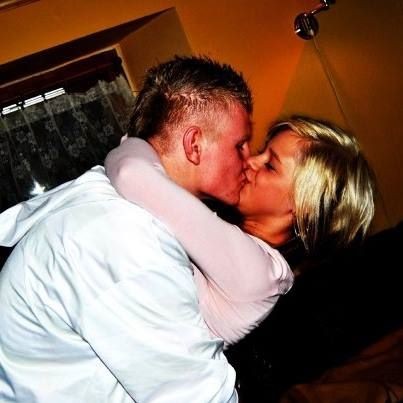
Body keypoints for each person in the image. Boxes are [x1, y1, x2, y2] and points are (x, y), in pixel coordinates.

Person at [0, 55, 258, 403]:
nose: (249, 159)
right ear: (194, 145)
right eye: (239, 145)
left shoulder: (128, 211)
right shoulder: (122, 236)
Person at [104, 115, 376, 349]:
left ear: (304, 209)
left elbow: (130, 173)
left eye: (270, 166)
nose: (251, 161)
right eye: (261, 151)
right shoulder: (244, 247)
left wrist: (139, 143)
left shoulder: (257, 272)